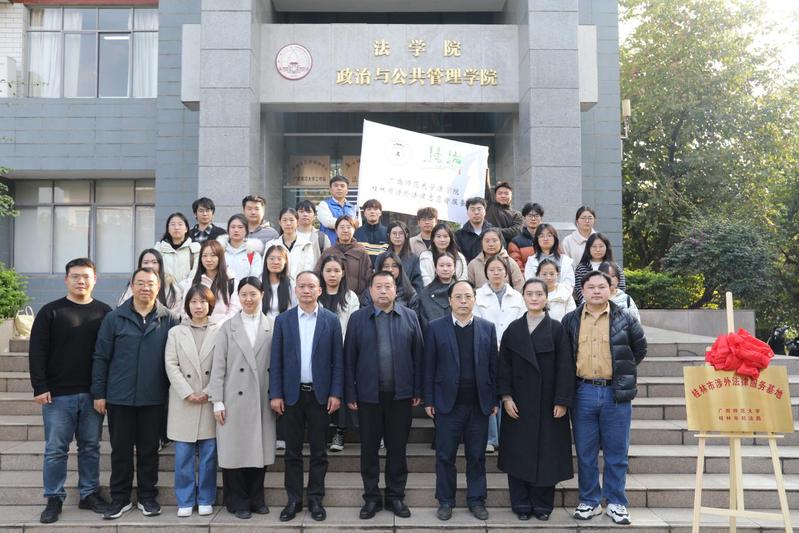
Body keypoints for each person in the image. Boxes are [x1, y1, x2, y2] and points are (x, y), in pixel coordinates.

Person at [92, 267, 181, 520]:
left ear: (158, 287)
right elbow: (101, 357)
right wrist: (99, 393)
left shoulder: (169, 319)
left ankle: (147, 497)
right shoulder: (114, 318)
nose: (145, 288)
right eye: (140, 283)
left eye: (150, 283)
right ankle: (119, 499)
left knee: (149, 451)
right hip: (119, 397)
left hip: (154, 397)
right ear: (132, 286)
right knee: (120, 451)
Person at [29, 258, 112, 524]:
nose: (81, 281)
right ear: (66, 279)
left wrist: (103, 391)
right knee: (56, 449)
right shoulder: (50, 312)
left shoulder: (104, 312)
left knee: (90, 447)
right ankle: (54, 497)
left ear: (95, 279)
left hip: (92, 395)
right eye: (75, 276)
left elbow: (109, 355)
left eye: (86, 276)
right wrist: (39, 386)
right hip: (57, 395)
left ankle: (89, 494)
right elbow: (37, 351)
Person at [561, 270, 647, 525]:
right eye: (591, 287)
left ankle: (616, 502)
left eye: (602, 286)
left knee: (616, 452)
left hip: (615, 393)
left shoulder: (626, 319)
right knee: (585, 452)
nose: (596, 291)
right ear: (582, 291)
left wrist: (622, 372)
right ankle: (589, 501)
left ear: (611, 289)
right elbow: (565, 355)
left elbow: (639, 348)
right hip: (583, 391)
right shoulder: (570, 320)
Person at [344, 271, 424, 519]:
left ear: (395, 290)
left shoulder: (409, 316)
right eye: (378, 286)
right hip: (368, 396)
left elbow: (418, 356)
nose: (382, 291)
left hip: (400, 396)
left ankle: (395, 496)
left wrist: (418, 389)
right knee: (369, 449)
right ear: (370, 290)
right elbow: (349, 359)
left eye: (388, 286)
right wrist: (350, 393)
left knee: (397, 449)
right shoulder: (358, 319)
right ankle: (371, 498)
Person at [269, 271, 344, 523]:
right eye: (302, 286)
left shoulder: (331, 321)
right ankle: (293, 500)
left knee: (319, 451)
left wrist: (336, 392)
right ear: (295, 290)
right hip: (291, 396)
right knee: (292, 452)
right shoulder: (283, 320)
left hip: (321, 396)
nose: (306, 290)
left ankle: (315, 499)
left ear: (319, 290)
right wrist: (276, 393)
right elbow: (276, 360)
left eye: (311, 286)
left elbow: (338, 361)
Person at [497, 278, 575, 521]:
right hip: (518, 403)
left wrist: (562, 400)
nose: (534, 298)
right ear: (523, 296)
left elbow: (565, 367)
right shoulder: (513, 329)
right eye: (529, 293)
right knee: (518, 452)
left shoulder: (557, 329)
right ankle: (520, 504)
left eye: (539, 294)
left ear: (546, 297)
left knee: (547, 454)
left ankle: (542, 505)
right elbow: (504, 367)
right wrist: (506, 397)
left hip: (548, 403)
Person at [424, 280, 498, 522]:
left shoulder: (487, 328)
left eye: (468, 296)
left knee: (476, 456)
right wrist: (429, 399)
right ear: (450, 301)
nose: (463, 301)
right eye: (458, 297)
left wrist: (494, 399)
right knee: (445, 456)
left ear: (475, 299)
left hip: (478, 404)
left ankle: (476, 500)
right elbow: (428, 367)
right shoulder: (435, 328)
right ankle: (446, 501)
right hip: (447, 405)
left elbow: (493, 367)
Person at [207, 277, 277, 519]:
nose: (248, 299)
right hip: (233, 398)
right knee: (234, 451)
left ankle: (256, 498)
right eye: (244, 294)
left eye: (253, 294)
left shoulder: (272, 326)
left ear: (262, 295)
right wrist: (217, 400)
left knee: (259, 450)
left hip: (262, 398)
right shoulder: (227, 327)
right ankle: (237, 500)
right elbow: (218, 367)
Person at [164, 284, 220, 518]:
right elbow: (171, 364)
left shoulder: (220, 330)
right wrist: (187, 392)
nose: (198, 306)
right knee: (183, 455)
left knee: (209, 455)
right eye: (194, 302)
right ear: (187, 305)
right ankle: (185, 499)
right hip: (184, 400)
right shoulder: (176, 332)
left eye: (203, 302)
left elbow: (222, 365)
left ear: (210, 304)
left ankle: (206, 498)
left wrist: (208, 391)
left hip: (209, 399)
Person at [472, 256, 526, 453]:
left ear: (506, 273)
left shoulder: (517, 297)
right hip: (485, 349)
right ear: (486, 273)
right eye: (492, 269)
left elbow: (522, 322)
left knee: (507, 391)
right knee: (488, 391)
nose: (496, 273)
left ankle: (506, 436)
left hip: (511, 350)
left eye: (500, 269)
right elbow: (476, 321)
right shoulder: (477, 295)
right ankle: (490, 437)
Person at [319, 255, 361, 453]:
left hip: (343, 350)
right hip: (319, 352)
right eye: (328, 270)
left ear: (343, 273)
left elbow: (352, 325)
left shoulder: (350, 297)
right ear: (322, 273)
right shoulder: (317, 294)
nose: (332, 275)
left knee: (342, 389)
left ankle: (340, 431)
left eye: (336, 270)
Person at [181, 240, 240, 323]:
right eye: (204, 256)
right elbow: (185, 311)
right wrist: (198, 325)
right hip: (196, 328)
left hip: (223, 329)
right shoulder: (192, 283)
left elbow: (234, 311)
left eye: (213, 255)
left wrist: (216, 327)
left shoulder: (232, 283)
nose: (208, 259)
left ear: (220, 257)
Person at [315, 216, 373, 296]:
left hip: (357, 298)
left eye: (349, 227)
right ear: (336, 230)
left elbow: (369, 277)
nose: (345, 230)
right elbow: (317, 275)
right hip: (330, 297)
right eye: (342, 227)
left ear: (354, 230)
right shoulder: (328, 252)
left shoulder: (361, 252)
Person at [117, 249, 184, 315]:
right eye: (146, 262)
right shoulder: (133, 285)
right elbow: (122, 308)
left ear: (160, 265)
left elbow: (174, 314)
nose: (150, 266)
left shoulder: (171, 287)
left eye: (154, 262)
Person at [574, 233, 626, 305]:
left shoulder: (615, 267)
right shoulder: (581, 268)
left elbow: (621, 288)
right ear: (588, 248)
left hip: (615, 305)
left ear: (606, 247)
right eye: (594, 246)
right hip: (589, 306)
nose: (598, 250)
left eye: (601, 246)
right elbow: (580, 291)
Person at [267, 207, 317, 281]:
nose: (288, 223)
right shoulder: (271, 245)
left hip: (300, 285)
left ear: (297, 222)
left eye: (291, 220)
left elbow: (308, 270)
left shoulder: (306, 245)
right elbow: (266, 269)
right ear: (279, 222)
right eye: (284, 220)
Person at [523, 224, 576, 291]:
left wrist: (555, 293)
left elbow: (569, 285)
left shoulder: (565, 261)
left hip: (561, 296)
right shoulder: (531, 261)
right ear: (537, 240)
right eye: (541, 236)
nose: (545, 239)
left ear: (555, 238)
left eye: (549, 235)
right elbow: (530, 284)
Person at [155, 212, 200, 282]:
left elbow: (195, 273)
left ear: (186, 229)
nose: (176, 227)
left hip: (188, 288)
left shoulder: (195, 249)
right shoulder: (159, 248)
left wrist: (182, 287)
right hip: (165, 288)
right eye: (173, 224)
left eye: (180, 224)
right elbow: (155, 272)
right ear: (168, 229)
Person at [417, 252, 456, 332]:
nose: (445, 269)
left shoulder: (462, 291)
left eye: (449, 265)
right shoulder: (425, 293)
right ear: (435, 268)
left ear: (454, 268)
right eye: (441, 265)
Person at [219, 214, 264, 283]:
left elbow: (255, 278)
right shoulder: (220, 252)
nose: (236, 230)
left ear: (246, 230)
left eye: (240, 227)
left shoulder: (253, 254)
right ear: (228, 230)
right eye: (233, 227)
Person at [317, 175, 360, 245]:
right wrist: (351, 223)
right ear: (330, 189)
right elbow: (328, 222)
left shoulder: (353, 207)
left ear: (347, 190)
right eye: (336, 186)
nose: (339, 188)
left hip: (350, 246)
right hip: (330, 245)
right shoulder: (323, 204)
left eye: (342, 186)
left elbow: (358, 225)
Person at [382, 220, 423, 293]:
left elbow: (418, 285)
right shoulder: (382, 257)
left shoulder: (414, 259)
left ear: (406, 235)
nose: (397, 236)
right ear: (389, 235)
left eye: (401, 233)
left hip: (407, 296)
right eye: (394, 233)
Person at [261, 244, 297, 321]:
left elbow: (294, 309)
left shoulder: (291, 284)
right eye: (271, 258)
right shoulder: (259, 282)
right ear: (266, 260)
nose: (275, 262)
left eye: (279, 259)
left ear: (285, 262)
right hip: (263, 325)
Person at [455, 197, 494, 263]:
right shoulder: (459, 235)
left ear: (485, 211)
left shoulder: (494, 232)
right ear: (467, 212)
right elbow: (458, 258)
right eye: (472, 210)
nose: (476, 212)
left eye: (479, 209)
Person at [508, 202, 544, 270]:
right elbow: (517, 267)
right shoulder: (516, 242)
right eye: (530, 216)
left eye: (536, 216)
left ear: (541, 219)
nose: (533, 219)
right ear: (524, 218)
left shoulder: (549, 239)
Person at [354, 198, 389, 265]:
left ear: (380, 213)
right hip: (362, 269)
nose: (372, 211)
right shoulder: (357, 232)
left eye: (375, 209)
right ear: (364, 213)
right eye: (369, 209)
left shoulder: (388, 232)